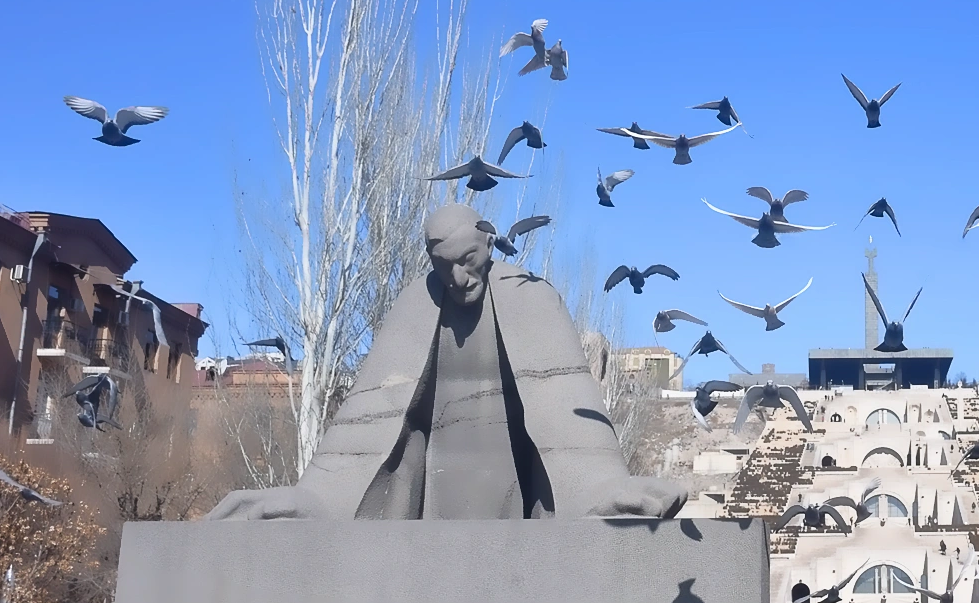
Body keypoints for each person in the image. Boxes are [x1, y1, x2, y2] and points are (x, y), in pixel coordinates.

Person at [209, 204, 683, 520]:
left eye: (468, 259)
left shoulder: (532, 300)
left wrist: (602, 489)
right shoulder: (415, 306)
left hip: (512, 506)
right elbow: (363, 430)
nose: (458, 278)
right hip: (430, 508)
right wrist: (312, 500)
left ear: (489, 246)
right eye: (444, 266)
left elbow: (571, 421)